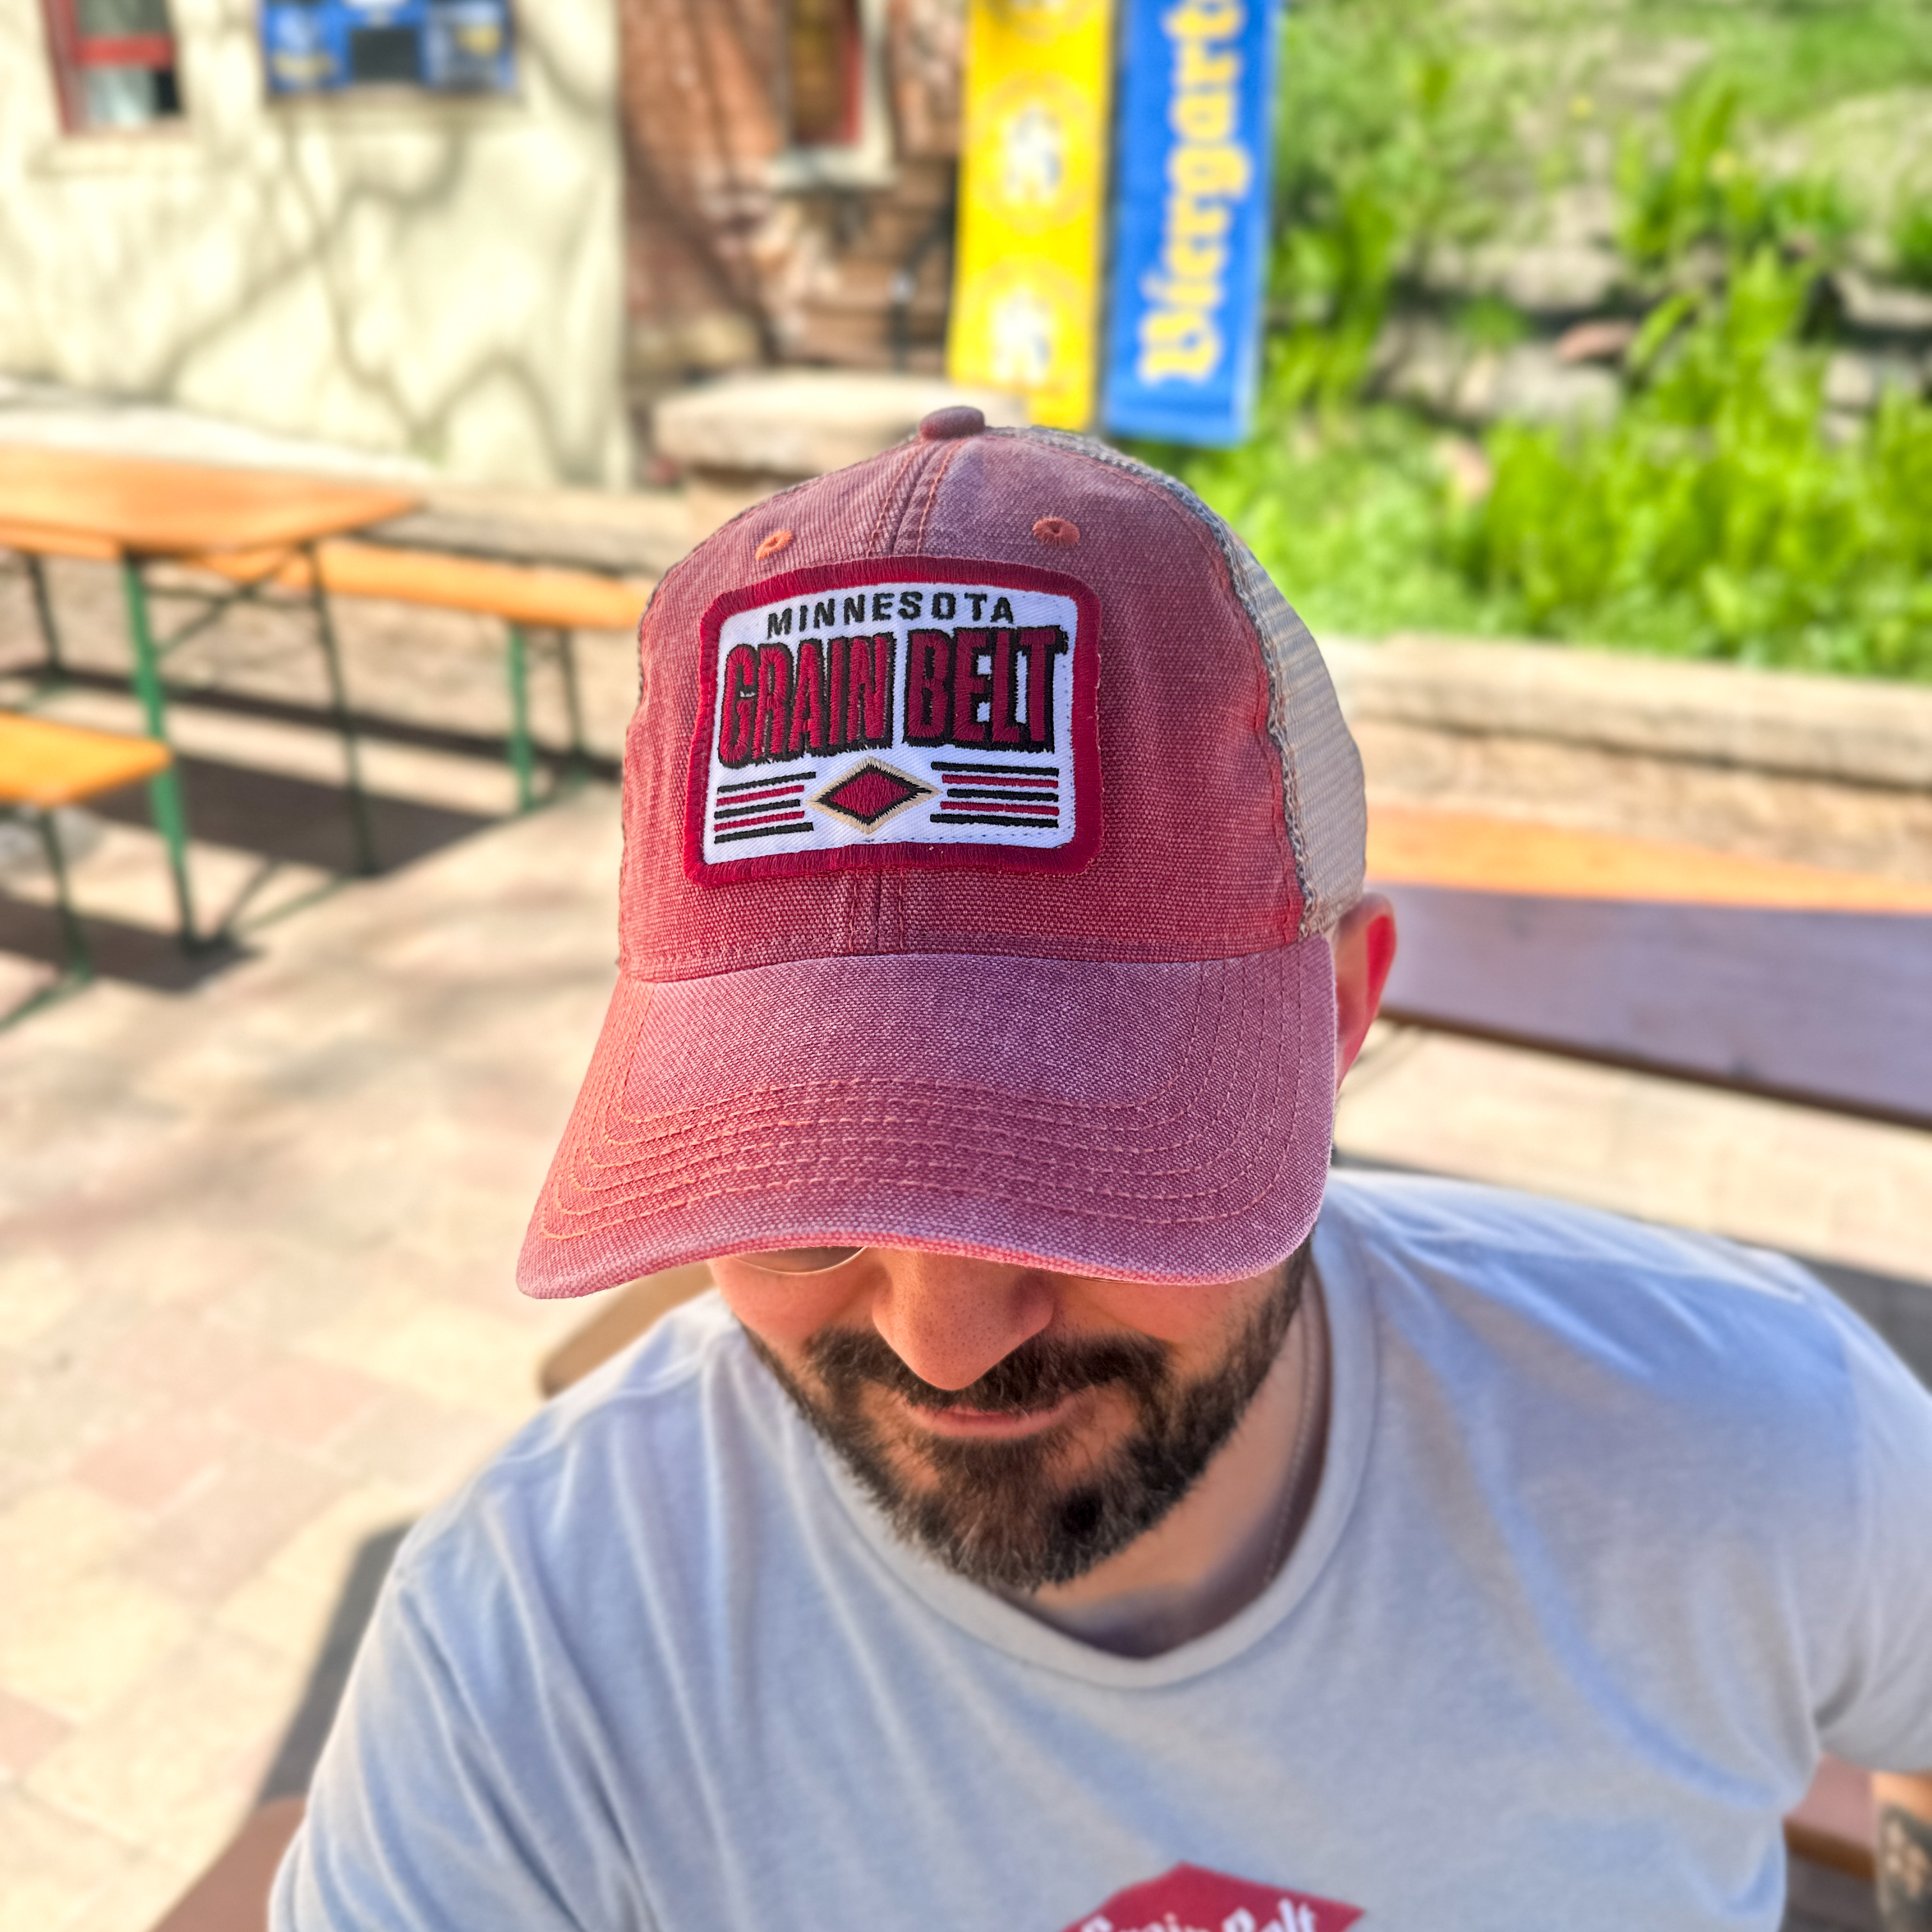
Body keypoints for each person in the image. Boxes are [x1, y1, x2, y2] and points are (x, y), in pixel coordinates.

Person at [274, 412, 1932, 1932]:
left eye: (1078, 1176)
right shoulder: (530, 1655)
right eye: (799, 1199)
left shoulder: (1746, 1444)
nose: (943, 1337)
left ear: (1339, 1016)